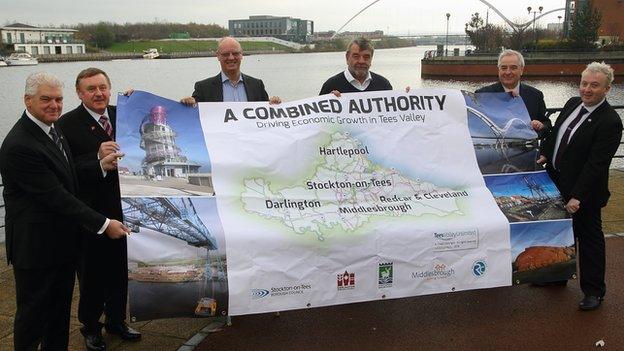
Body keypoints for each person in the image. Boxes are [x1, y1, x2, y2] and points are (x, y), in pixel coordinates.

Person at [0, 72, 128, 351]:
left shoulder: (51, 128)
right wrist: (104, 224)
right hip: (35, 249)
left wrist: (98, 165)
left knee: (58, 318)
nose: (54, 105)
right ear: (28, 100)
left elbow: (67, 175)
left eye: (58, 99)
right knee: (32, 318)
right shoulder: (19, 145)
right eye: (46, 99)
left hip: (62, 243)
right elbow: (56, 196)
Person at [57, 68, 142, 351]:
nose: (98, 93)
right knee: (92, 275)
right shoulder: (66, 124)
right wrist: (96, 160)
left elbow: (156, 120)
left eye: (103, 87)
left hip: (124, 209)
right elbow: (64, 171)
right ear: (79, 93)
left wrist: (138, 100)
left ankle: (117, 321)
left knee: (120, 272)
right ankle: (91, 328)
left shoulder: (125, 114)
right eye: (91, 89)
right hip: (90, 214)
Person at [538, 62, 623, 311]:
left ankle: (594, 291)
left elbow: (597, 165)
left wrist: (577, 196)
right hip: (556, 181)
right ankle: (557, 276)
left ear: (607, 89)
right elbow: (556, 135)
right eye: (584, 83)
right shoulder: (572, 103)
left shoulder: (609, 121)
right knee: (560, 233)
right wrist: (545, 153)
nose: (587, 89)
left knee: (590, 240)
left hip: (583, 193)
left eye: (594, 85)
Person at [181, 36, 280, 104]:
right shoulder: (203, 88)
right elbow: (193, 119)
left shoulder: (257, 85)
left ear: (241, 55)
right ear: (218, 56)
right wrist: (187, 104)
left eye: (235, 53)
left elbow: (267, 117)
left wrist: (274, 104)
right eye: (226, 54)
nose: (231, 58)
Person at [476, 49, 551, 135]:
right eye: (504, 68)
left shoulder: (535, 95)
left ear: (521, 70)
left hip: (525, 147)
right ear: (498, 70)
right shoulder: (482, 95)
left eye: (513, 68)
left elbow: (546, 124)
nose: (508, 72)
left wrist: (540, 126)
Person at [319, 37, 393, 96]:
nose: (361, 61)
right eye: (356, 56)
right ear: (347, 58)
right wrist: (329, 100)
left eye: (366, 57)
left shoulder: (384, 85)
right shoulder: (331, 85)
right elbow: (319, 114)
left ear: (371, 59)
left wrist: (404, 97)